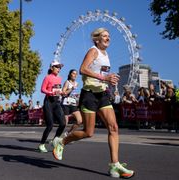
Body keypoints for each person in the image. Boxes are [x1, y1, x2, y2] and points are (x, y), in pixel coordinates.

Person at [52, 28, 134, 178]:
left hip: (102, 94)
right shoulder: (93, 51)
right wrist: (104, 78)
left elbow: (101, 74)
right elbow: (82, 69)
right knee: (88, 132)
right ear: (97, 39)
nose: (108, 38)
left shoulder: (106, 54)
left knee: (114, 127)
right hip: (89, 95)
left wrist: (109, 80)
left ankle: (114, 165)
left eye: (109, 36)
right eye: (104, 36)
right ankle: (62, 141)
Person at [38, 60, 66, 153]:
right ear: (52, 68)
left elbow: (58, 90)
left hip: (57, 102)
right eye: (57, 67)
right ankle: (41, 144)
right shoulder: (47, 77)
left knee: (63, 123)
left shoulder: (60, 78)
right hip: (48, 102)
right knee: (50, 125)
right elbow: (42, 89)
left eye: (60, 67)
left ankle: (55, 139)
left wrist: (61, 92)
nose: (59, 69)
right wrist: (51, 92)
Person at [61, 69, 82, 135]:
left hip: (73, 103)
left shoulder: (77, 83)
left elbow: (74, 94)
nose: (75, 75)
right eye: (73, 73)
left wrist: (77, 95)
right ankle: (57, 137)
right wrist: (71, 89)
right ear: (70, 74)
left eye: (76, 74)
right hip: (66, 103)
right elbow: (63, 93)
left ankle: (67, 133)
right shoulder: (67, 82)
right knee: (65, 123)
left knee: (79, 120)